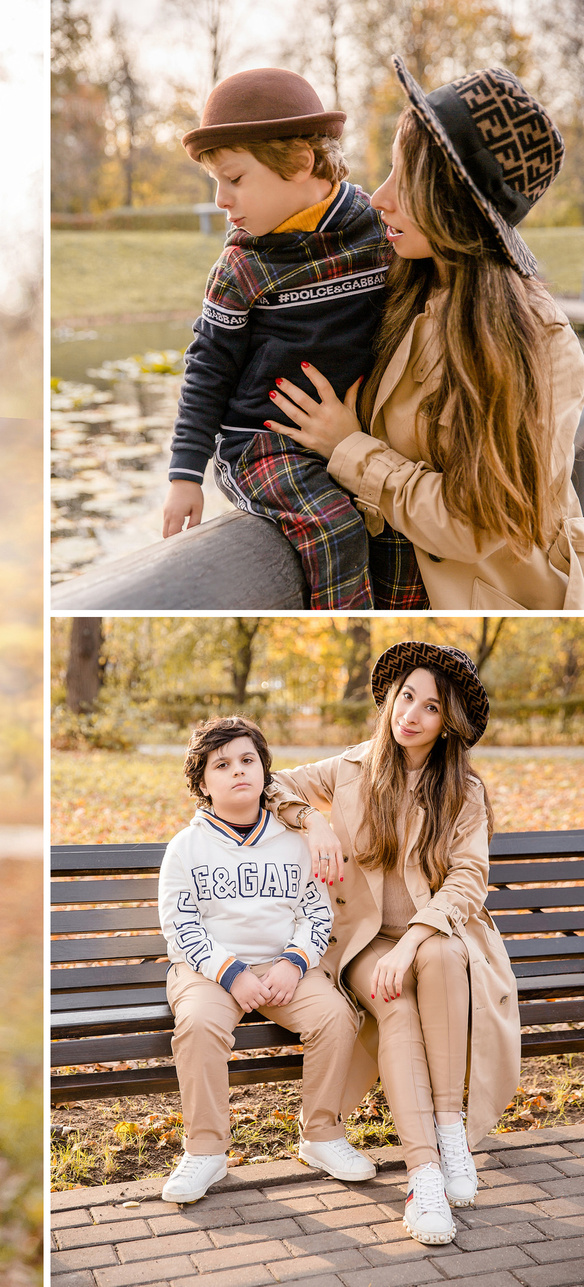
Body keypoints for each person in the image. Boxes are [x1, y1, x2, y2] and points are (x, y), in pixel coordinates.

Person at [263, 60, 584, 610]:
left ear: (453, 199)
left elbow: (480, 524)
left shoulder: (540, 341)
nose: (378, 197)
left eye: (403, 178)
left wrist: (348, 448)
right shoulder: (398, 288)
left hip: (507, 600)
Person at [275, 641, 521, 1247]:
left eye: (430, 707)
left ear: (449, 723)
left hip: (437, 936)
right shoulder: (352, 769)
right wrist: (315, 821)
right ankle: (425, 1175)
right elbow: (275, 782)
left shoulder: (463, 791)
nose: (409, 714)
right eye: (405, 696)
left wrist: (414, 938)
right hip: (362, 943)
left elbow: (468, 878)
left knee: (435, 956)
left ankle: (450, 1129)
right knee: (396, 1004)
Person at [160, 67, 391, 610]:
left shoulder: (375, 233)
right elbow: (207, 366)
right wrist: (184, 475)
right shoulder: (242, 264)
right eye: (215, 182)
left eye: (234, 179)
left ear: (300, 163)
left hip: (351, 433)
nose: (221, 200)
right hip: (260, 445)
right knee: (337, 529)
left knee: (399, 530)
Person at [155, 716, 367, 1204]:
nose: (238, 771)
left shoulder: (294, 843)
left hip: (284, 970)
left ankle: (321, 1136)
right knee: (198, 1026)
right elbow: (181, 926)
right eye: (222, 765)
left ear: (264, 771)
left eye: (248, 760)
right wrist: (230, 974)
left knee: (336, 1017)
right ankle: (206, 1151)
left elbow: (316, 913)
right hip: (207, 972)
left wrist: (294, 964)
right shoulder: (186, 848)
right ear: (202, 783)